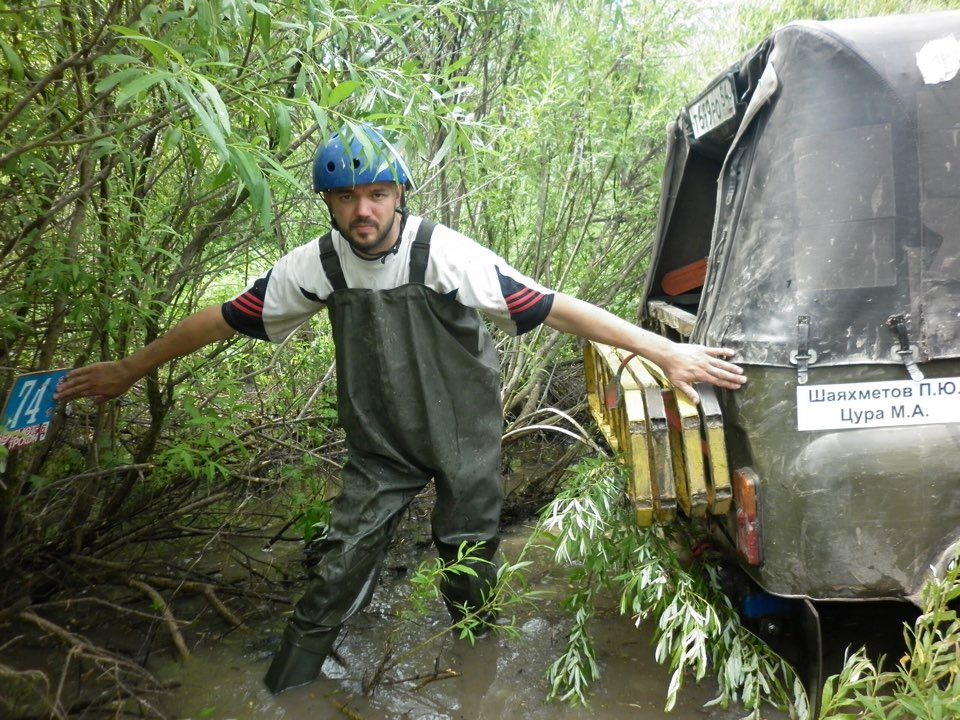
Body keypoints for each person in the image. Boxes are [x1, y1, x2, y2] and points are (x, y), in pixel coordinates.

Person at [55, 125, 746, 694]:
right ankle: (282, 692)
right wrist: (129, 369)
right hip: (379, 444)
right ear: (327, 203)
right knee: (338, 566)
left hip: (463, 435)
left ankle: (477, 675)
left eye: (378, 194)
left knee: (468, 562)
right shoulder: (316, 265)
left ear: (400, 195)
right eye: (348, 197)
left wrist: (664, 351)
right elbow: (220, 318)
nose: (364, 211)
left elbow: (552, 307)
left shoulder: (443, 253)